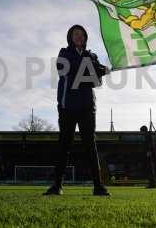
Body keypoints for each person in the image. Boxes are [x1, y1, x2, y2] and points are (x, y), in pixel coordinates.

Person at [43, 24, 111, 196]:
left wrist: (98, 71)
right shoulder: (64, 53)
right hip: (67, 107)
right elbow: (68, 69)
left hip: (87, 107)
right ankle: (57, 186)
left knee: (90, 145)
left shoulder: (92, 56)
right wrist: (97, 69)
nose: (79, 36)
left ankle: (98, 186)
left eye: (82, 34)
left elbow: (96, 81)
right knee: (64, 146)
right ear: (70, 37)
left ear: (85, 38)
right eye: (75, 34)